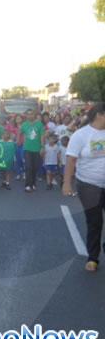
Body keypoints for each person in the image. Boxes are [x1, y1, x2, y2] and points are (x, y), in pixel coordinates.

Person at [63, 103, 105, 272]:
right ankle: (93, 257)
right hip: (89, 185)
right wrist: (67, 183)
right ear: (100, 115)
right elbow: (71, 160)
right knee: (95, 222)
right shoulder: (81, 135)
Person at [21, 109, 46, 192]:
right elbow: (19, 133)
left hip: (37, 149)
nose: (29, 116)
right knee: (28, 167)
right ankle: (28, 185)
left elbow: (42, 136)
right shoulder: (24, 124)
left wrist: (42, 147)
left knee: (35, 167)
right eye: (28, 114)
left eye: (31, 114)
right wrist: (18, 141)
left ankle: (33, 183)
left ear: (34, 115)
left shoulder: (39, 124)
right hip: (27, 149)